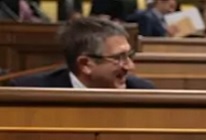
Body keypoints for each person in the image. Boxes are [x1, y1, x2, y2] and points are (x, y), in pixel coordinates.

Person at [8, 17, 154, 89]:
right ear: (85, 64)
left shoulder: (143, 91)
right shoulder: (30, 93)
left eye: (129, 56)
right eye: (119, 58)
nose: (130, 66)